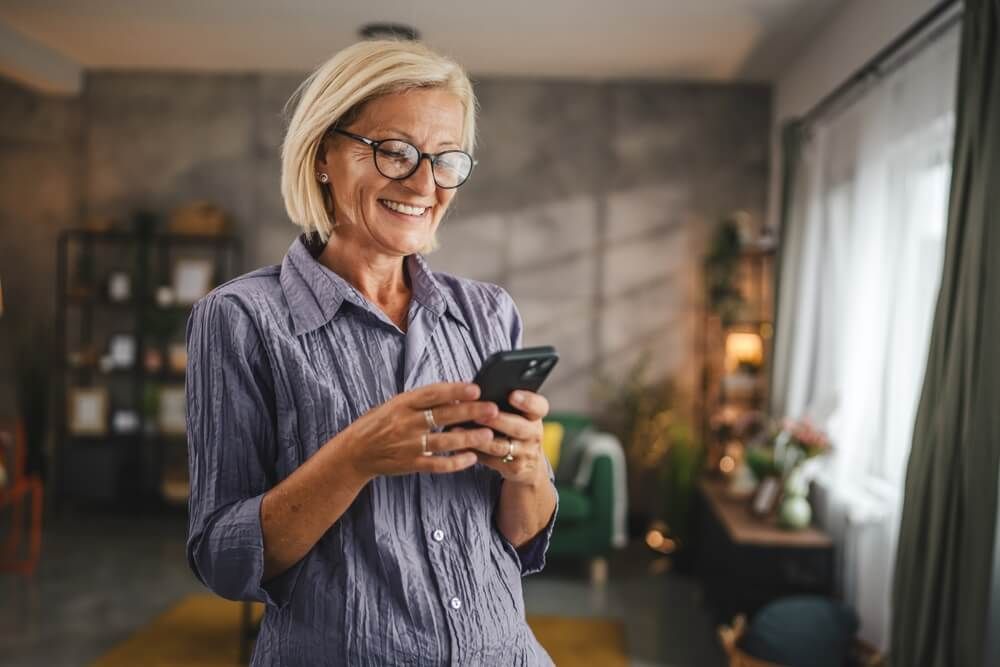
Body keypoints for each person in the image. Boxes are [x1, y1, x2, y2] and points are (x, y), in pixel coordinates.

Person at [185, 39, 559, 666]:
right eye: (394, 151)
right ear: (323, 155)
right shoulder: (240, 319)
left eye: (445, 159)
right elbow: (222, 559)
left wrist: (528, 470)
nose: (424, 183)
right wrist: (355, 456)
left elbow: (519, 540)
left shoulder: (489, 313)